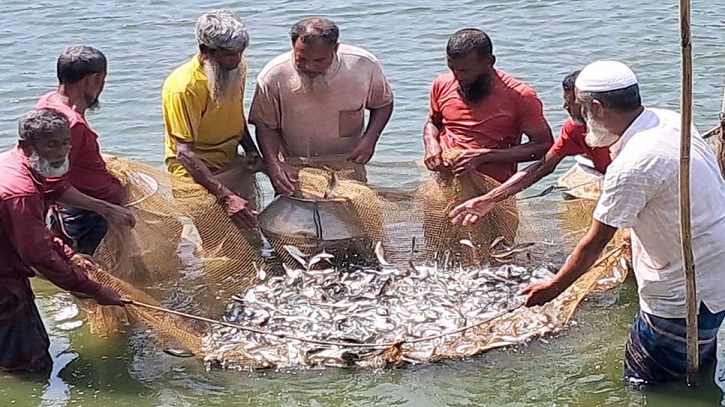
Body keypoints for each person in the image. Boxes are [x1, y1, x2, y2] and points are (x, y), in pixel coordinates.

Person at [520, 60, 725, 385]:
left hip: (683, 292)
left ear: (597, 108)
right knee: (696, 365)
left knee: (646, 379)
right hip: (715, 275)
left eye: (583, 111)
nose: (582, 122)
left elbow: (594, 243)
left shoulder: (633, 163)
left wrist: (553, 288)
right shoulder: (671, 120)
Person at [0, 109, 124, 378]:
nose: (62, 150)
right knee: (30, 365)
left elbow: (36, 236)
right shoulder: (21, 191)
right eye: (51, 143)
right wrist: (93, 290)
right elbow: (39, 256)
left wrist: (70, 255)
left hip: (9, 270)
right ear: (27, 146)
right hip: (4, 283)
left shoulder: (20, 164)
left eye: (66, 141)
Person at [249, 17, 394, 194]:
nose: (309, 66)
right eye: (301, 59)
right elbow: (265, 125)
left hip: (348, 165)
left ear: (336, 48)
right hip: (296, 168)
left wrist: (370, 139)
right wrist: (274, 164)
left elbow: (383, 103)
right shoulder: (273, 75)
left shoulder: (363, 65)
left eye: (319, 60)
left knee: (352, 216)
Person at [449, 70, 613, 225]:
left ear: (596, 106)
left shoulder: (627, 131)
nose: (565, 106)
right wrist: (491, 198)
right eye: (565, 100)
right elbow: (542, 166)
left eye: (571, 102)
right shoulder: (574, 128)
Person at [162, 9, 260, 231]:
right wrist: (225, 197)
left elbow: (235, 114)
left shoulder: (236, 69)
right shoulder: (184, 87)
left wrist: (251, 150)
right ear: (205, 50)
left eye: (240, 52)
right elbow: (183, 152)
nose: (236, 60)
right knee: (215, 240)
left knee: (247, 232)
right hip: (195, 174)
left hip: (230, 162)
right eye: (229, 54)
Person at [423, 28, 553, 183]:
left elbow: (543, 146)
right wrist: (431, 145)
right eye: (452, 68)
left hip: (492, 190)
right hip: (445, 181)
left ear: (489, 62)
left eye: (465, 71)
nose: (458, 76)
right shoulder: (441, 84)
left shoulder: (520, 96)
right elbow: (433, 123)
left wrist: (484, 156)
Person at [35, 45, 127, 255]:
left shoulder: (49, 102)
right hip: (88, 217)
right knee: (96, 274)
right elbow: (53, 185)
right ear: (91, 81)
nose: (102, 87)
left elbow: (58, 164)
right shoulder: (71, 124)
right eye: (102, 80)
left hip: (81, 212)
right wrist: (108, 210)